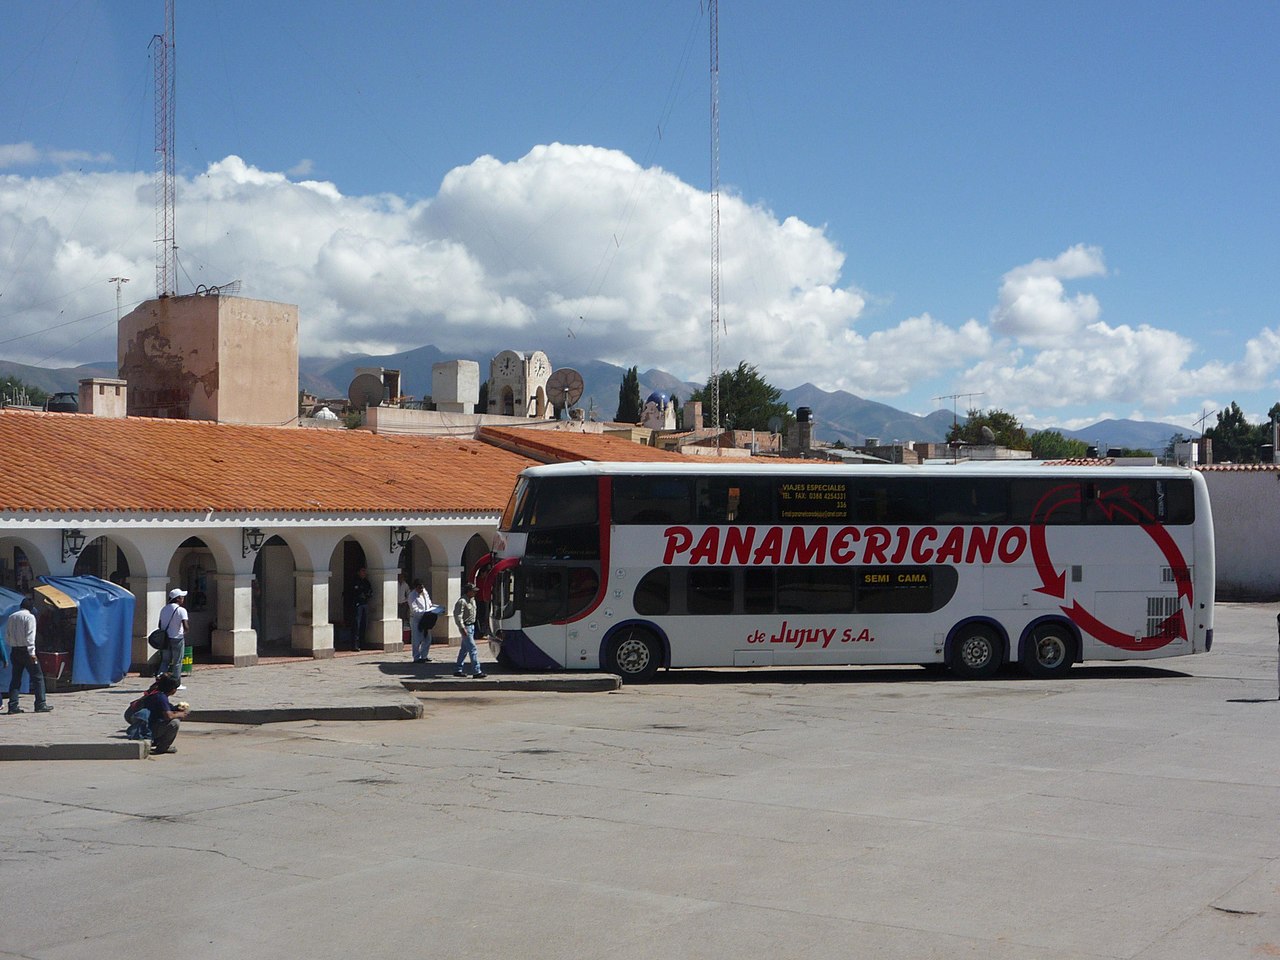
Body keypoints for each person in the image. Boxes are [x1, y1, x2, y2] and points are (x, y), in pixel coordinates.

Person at [6, 597, 51, 714]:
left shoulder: (11, 617)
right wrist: (32, 653)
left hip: (15, 650)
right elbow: (30, 636)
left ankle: (13, 705)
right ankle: (40, 703)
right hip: (27, 651)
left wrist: (13, 645)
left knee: (16, 679)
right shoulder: (30, 617)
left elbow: (8, 636)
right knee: (38, 677)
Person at [127, 673, 188, 755]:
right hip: (149, 728)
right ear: (172, 689)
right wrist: (180, 714)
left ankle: (156, 741)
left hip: (149, 724)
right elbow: (168, 716)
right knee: (175, 723)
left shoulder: (156, 694)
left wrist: (176, 708)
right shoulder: (161, 698)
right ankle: (162, 747)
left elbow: (167, 708)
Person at [157, 588, 189, 690]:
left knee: (165, 661)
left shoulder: (164, 609)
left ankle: (160, 680)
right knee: (177, 661)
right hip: (177, 638)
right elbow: (185, 625)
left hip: (166, 639)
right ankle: (176, 683)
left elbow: (160, 625)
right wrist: (184, 632)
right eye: (182, 597)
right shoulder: (181, 610)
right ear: (178, 598)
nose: (183, 599)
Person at [452, 583, 484, 678]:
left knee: (464, 649)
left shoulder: (473, 600)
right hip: (466, 627)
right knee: (472, 648)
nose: (475, 592)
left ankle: (458, 669)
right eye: (473, 591)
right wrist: (462, 628)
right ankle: (476, 671)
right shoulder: (462, 601)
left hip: (472, 626)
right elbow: (458, 616)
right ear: (468, 591)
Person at [408, 578, 434, 663]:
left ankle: (424, 656)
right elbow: (414, 610)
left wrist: (432, 608)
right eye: (419, 588)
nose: (421, 589)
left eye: (422, 587)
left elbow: (429, 602)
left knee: (427, 637)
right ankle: (416, 657)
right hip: (416, 618)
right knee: (416, 638)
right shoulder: (412, 596)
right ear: (415, 587)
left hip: (426, 617)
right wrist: (424, 612)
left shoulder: (424, 592)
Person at [350, 567, 372, 651]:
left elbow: (370, 591)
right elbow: (353, 592)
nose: (364, 573)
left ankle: (362, 643)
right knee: (357, 624)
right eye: (362, 571)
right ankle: (355, 644)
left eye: (364, 571)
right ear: (358, 572)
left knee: (364, 624)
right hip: (357, 604)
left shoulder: (366, 582)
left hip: (365, 603)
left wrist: (367, 595)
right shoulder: (355, 581)